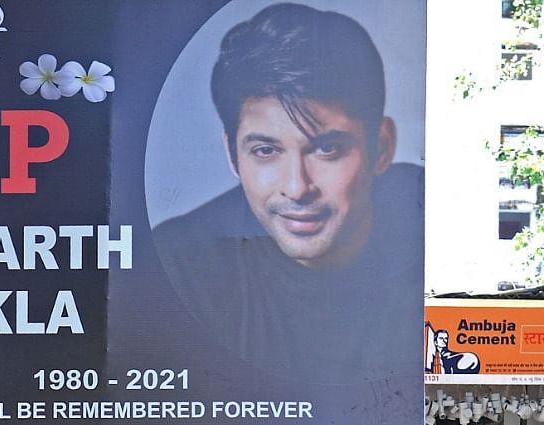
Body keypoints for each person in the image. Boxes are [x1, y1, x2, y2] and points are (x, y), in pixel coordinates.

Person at [152, 3, 423, 384]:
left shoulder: (433, 231)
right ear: (233, 155)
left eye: (327, 149)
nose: (297, 187)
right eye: (266, 151)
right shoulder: (180, 261)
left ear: (381, 147)